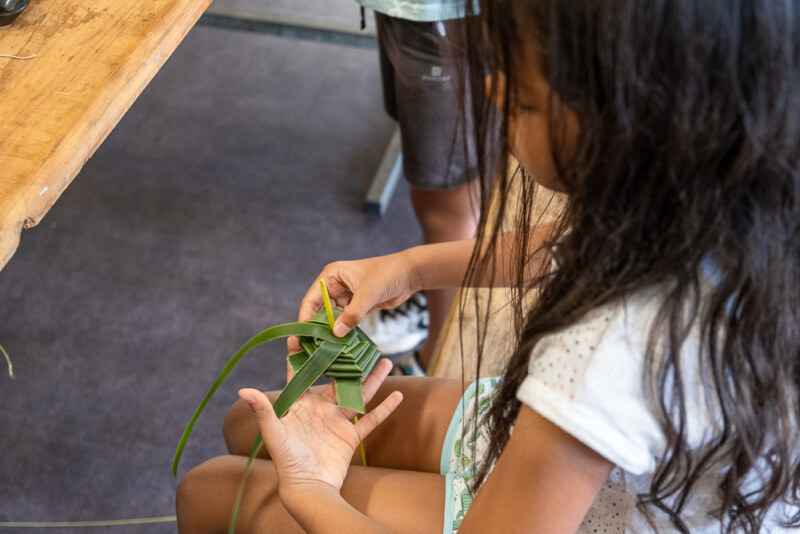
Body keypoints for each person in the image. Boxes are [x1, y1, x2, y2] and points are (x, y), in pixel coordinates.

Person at [176, 0, 800, 532]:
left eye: (521, 98)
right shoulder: (738, 205)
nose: (495, 92)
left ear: (634, 126)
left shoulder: (609, 354)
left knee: (208, 492)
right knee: (249, 426)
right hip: (618, 469)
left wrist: (312, 491)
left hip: (586, 505)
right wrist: (411, 268)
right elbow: (570, 244)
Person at [354, 1, 489, 375]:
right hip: (407, 9)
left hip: (444, 15)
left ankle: (435, 362)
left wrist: (413, 269)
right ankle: (432, 301)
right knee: (437, 180)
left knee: (445, 200)